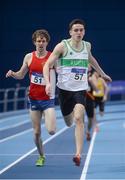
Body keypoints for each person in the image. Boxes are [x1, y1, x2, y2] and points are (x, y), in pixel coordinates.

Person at [43, 19, 112, 166]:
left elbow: (91, 59)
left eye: (81, 30)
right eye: (76, 30)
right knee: (69, 122)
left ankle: (78, 154)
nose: (79, 32)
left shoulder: (87, 46)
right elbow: (48, 64)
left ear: (84, 32)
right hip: (64, 91)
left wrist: (103, 73)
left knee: (79, 118)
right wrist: (48, 82)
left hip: (80, 90)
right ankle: (69, 118)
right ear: (70, 32)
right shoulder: (62, 46)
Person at [6, 29, 56, 167]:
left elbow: (60, 73)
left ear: (47, 42)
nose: (41, 43)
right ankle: (41, 156)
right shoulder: (29, 57)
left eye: (43, 41)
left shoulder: (52, 57)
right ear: (34, 42)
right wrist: (13, 73)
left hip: (48, 100)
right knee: (36, 133)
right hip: (33, 99)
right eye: (38, 41)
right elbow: (21, 75)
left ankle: (48, 117)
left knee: (51, 130)